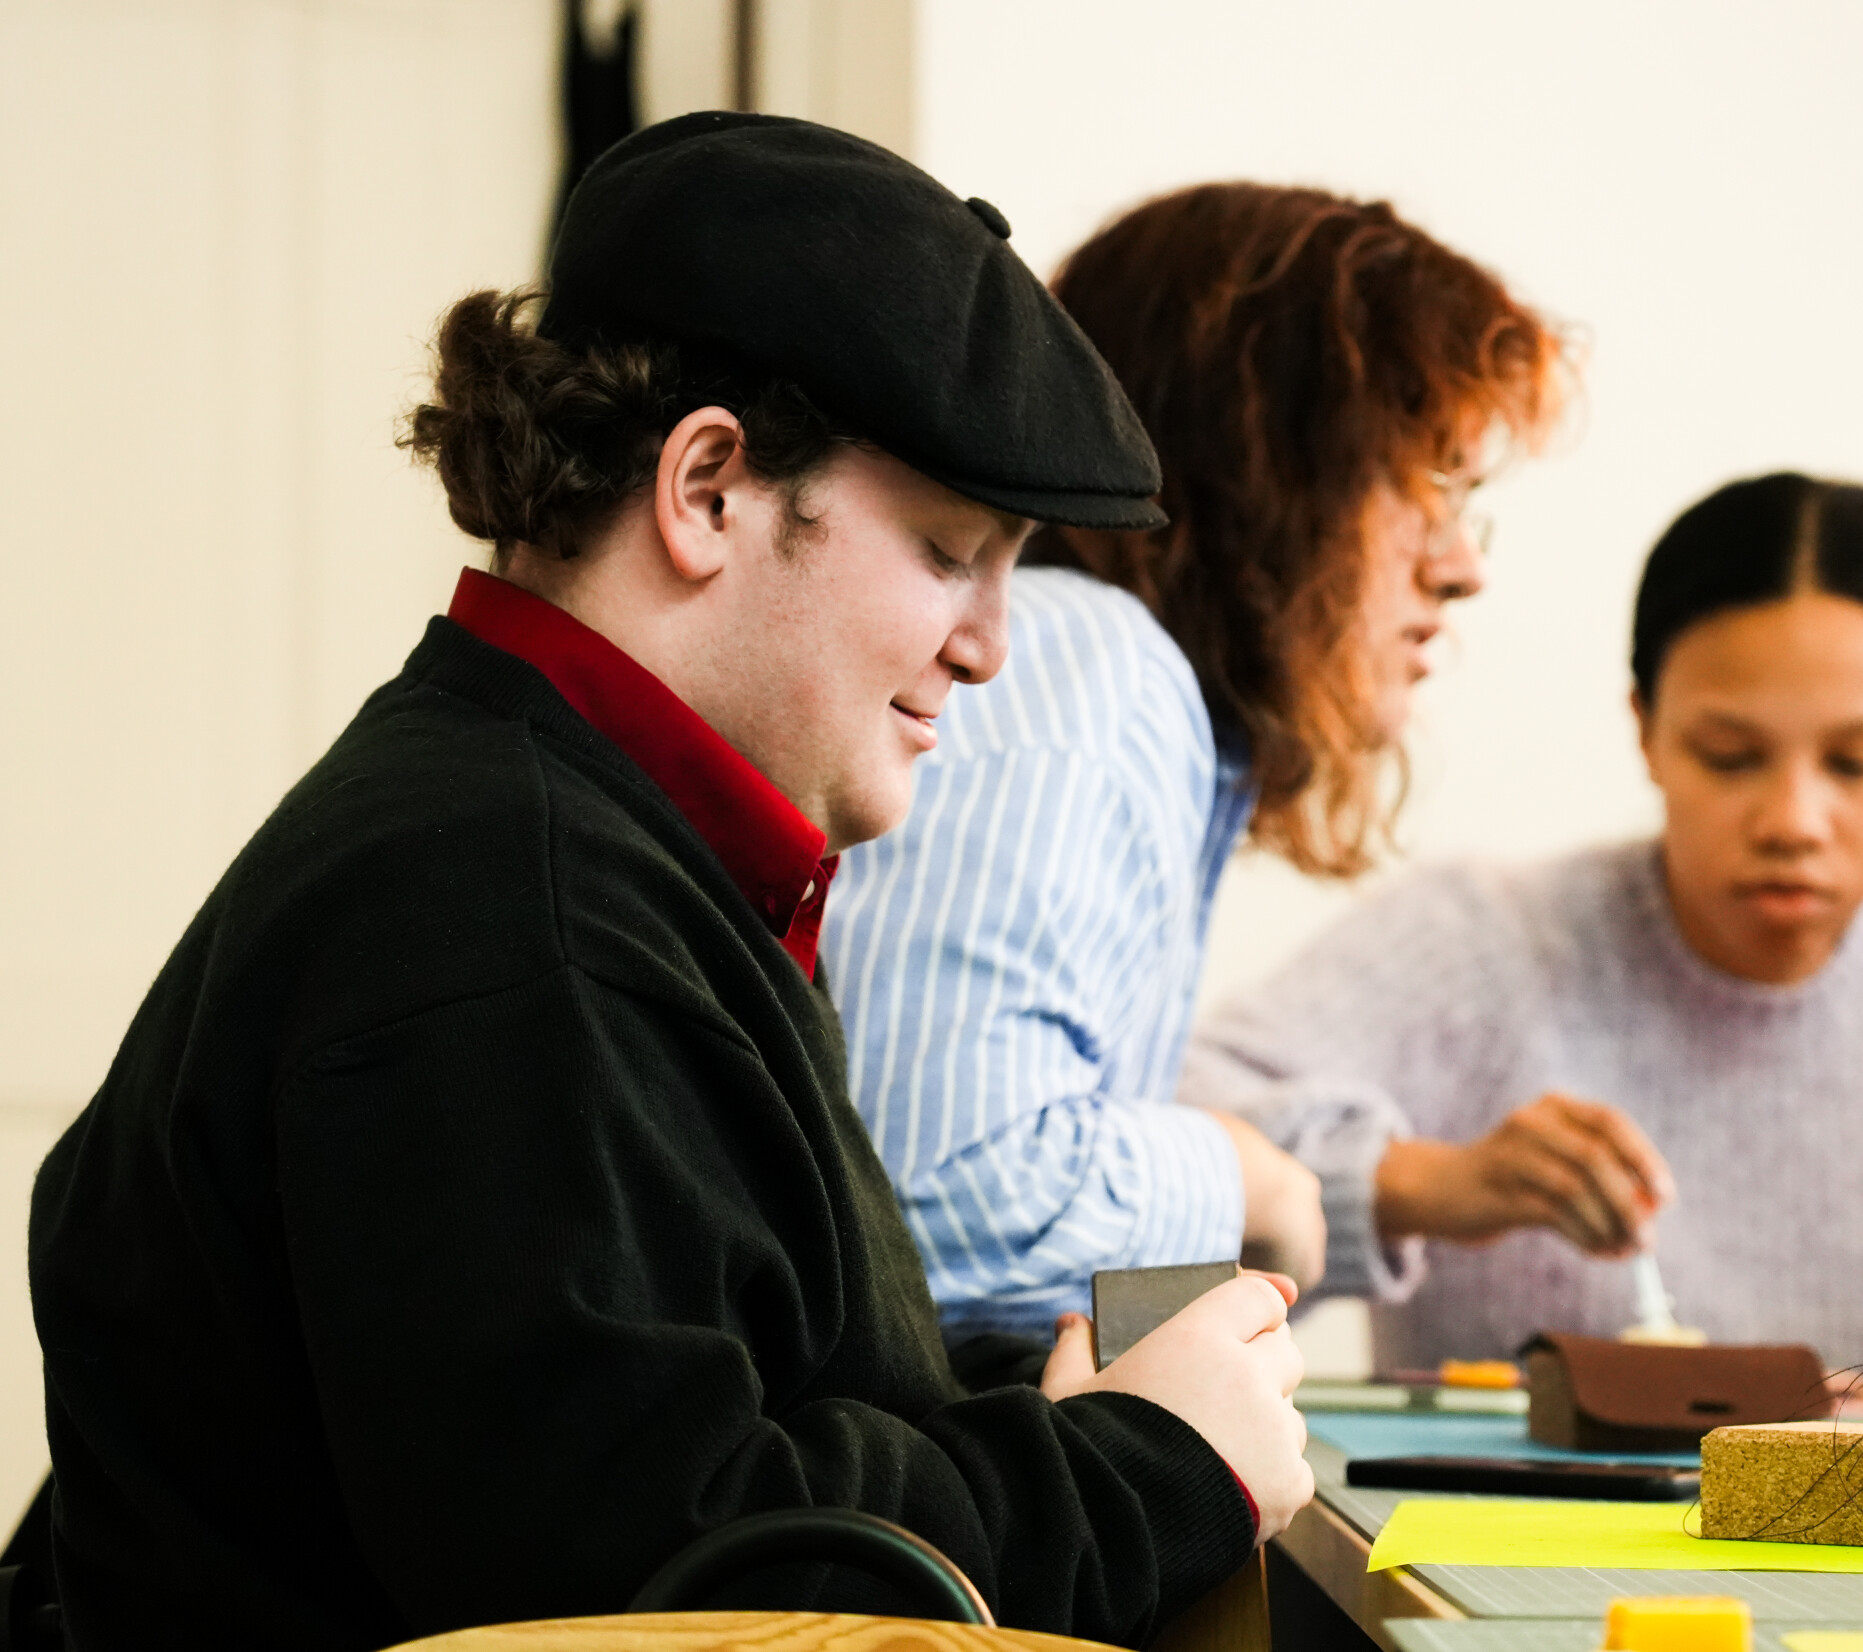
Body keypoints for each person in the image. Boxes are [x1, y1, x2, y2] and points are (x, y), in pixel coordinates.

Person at [29, 115, 1309, 1652]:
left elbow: (705, 1447)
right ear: (709, 488)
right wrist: (1144, 1470)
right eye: (949, 550)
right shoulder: (513, 912)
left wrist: (1049, 1433)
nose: (990, 642)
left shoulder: (569, 847)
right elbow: (657, 1589)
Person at [820, 184, 1571, 1339]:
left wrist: (1302, 1190)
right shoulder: (1088, 671)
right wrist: (1244, 1177)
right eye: (1427, 482)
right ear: (1264, 467)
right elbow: (948, 1197)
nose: (1463, 563)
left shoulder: (1131, 708)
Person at [1181, 472, 1863, 1374]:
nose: (1794, 819)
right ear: (1645, 729)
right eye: (1729, 756)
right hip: (1503, 1547)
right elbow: (1153, 1137)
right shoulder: (1479, 944)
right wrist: (1419, 1185)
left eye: (1857, 761)